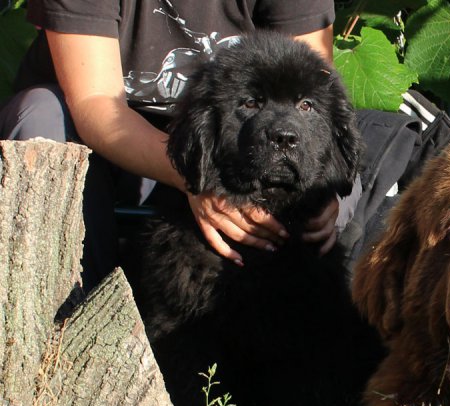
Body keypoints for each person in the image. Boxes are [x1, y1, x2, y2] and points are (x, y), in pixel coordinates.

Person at [0, 0, 342, 292]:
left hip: (233, 143)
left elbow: (312, 87)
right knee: (40, 119)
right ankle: (67, 319)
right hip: (117, 147)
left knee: (354, 177)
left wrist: (322, 188)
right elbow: (95, 102)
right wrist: (196, 176)